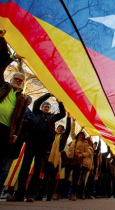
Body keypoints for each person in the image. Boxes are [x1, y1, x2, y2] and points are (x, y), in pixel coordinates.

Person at [7, 92, 66, 202]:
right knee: (25, 167)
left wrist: (60, 102)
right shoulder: (36, 112)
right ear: (42, 107)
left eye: (48, 106)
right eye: (45, 106)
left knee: (37, 170)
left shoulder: (52, 118)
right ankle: (19, 194)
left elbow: (62, 114)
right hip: (31, 143)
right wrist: (49, 94)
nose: (46, 107)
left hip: (43, 146)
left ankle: (30, 194)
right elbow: (37, 102)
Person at [0, 30, 28, 175]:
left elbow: (20, 119)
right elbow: (1, 65)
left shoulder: (22, 99)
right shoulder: (2, 86)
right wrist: (3, 40)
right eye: (16, 78)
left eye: (20, 80)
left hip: (6, 130)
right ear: (11, 80)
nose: (18, 81)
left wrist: (15, 134)